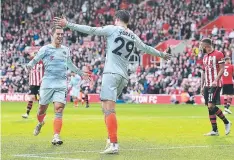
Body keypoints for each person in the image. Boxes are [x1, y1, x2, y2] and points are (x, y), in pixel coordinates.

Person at [54, 10, 171, 153]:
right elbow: (146, 48)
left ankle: (114, 144)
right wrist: (162, 55)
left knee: (109, 109)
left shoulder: (112, 29)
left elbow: (91, 30)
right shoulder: (133, 35)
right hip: (123, 76)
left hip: (111, 74)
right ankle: (110, 138)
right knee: (105, 107)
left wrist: (68, 24)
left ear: (116, 19)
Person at [26, 25, 89, 145]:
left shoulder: (66, 50)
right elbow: (35, 59)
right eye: (58, 34)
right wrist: (29, 65)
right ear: (52, 35)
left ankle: (56, 136)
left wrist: (81, 73)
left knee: (59, 109)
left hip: (61, 84)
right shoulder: (45, 49)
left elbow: (70, 65)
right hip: (47, 84)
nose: (60, 36)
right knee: (41, 109)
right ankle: (40, 123)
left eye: (62, 34)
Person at [200, 38, 231, 136]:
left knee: (211, 105)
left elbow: (222, 69)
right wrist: (202, 86)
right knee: (209, 108)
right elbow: (203, 72)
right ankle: (215, 130)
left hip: (215, 84)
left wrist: (216, 80)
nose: (201, 47)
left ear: (206, 45)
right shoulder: (205, 57)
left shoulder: (218, 54)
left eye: (202, 45)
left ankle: (226, 122)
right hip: (207, 85)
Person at [22, 52, 44, 118]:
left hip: (40, 84)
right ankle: (27, 113)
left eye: (36, 55)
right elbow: (27, 71)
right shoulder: (31, 63)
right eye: (34, 55)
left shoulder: (42, 63)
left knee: (38, 98)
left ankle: (41, 114)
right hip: (32, 84)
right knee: (33, 98)